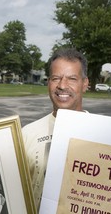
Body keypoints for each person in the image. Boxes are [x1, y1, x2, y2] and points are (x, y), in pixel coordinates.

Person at [22, 48, 89, 210]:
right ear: (48, 83)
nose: (62, 85)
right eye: (56, 78)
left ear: (85, 84)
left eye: (72, 78)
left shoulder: (104, 135)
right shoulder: (27, 134)